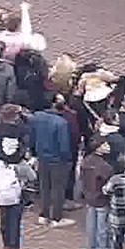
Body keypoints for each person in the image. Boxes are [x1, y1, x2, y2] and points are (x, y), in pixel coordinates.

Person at [0, 136, 37, 249]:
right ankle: (15, 247)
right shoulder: (20, 163)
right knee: (15, 221)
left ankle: (6, 244)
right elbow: (33, 177)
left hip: (1, 194)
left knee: (4, 219)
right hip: (15, 194)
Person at [32, 96, 75, 228]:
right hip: (57, 160)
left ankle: (44, 214)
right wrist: (68, 159)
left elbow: (32, 136)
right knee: (58, 189)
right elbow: (64, 145)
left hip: (42, 157)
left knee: (44, 187)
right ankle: (57, 217)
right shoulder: (61, 122)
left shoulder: (37, 117)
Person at [81, 137, 114, 249]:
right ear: (98, 147)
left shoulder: (86, 161)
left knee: (91, 226)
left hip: (89, 197)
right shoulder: (104, 166)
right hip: (101, 198)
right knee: (103, 226)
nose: (108, 146)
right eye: (105, 144)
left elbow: (82, 179)